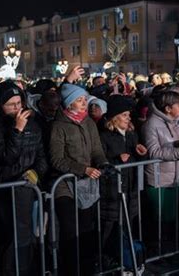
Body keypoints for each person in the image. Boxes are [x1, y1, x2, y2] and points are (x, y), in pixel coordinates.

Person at [0, 81, 47, 276]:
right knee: (11, 237)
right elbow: (6, 156)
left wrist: (36, 173)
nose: (17, 108)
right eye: (11, 105)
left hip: (28, 189)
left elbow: (41, 156)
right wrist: (17, 130)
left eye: (19, 103)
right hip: (6, 189)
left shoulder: (34, 125)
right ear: (0, 106)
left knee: (27, 237)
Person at [50, 83, 108, 276]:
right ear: (69, 104)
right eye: (79, 100)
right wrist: (82, 168)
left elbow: (96, 150)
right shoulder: (58, 126)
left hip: (86, 183)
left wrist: (102, 163)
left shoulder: (89, 122)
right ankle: (70, 270)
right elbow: (56, 159)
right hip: (65, 185)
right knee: (70, 231)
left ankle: (87, 268)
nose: (84, 103)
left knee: (86, 229)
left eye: (84, 99)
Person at [141, 91, 179, 243]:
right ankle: (157, 251)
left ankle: (169, 249)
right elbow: (154, 151)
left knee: (172, 217)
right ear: (167, 108)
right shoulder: (151, 124)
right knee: (160, 219)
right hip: (159, 178)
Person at [99, 95, 148, 264]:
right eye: (125, 115)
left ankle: (125, 258)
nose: (128, 118)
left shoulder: (132, 134)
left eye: (129, 115)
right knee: (110, 227)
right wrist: (117, 160)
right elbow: (101, 161)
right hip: (112, 190)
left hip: (130, 187)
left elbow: (136, 158)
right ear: (114, 117)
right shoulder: (105, 136)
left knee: (129, 225)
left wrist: (142, 153)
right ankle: (104, 259)